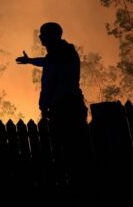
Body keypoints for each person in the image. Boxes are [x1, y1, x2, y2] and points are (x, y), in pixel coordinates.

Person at [16, 22, 90, 198]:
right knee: (68, 153)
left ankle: (77, 192)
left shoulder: (62, 54)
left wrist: (49, 105)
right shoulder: (59, 53)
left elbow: (55, 77)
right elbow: (46, 62)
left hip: (66, 109)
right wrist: (30, 60)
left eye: (43, 34)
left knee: (71, 154)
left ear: (52, 35)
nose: (40, 37)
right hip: (62, 108)